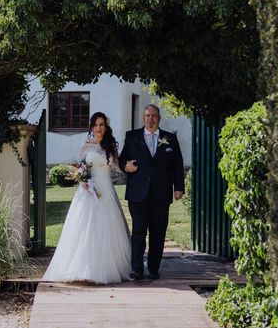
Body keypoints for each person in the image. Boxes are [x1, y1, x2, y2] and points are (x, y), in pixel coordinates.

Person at [42, 112, 131, 284]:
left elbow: (116, 165)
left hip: (105, 190)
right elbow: (79, 167)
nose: (99, 128)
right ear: (91, 127)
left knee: (106, 227)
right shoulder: (86, 145)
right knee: (85, 227)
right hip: (88, 191)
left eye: (102, 124)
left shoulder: (110, 145)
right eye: (96, 125)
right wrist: (81, 180)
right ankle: (83, 268)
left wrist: (127, 168)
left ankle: (105, 268)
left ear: (105, 126)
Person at [119, 104, 184, 280]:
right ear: (143, 118)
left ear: (159, 118)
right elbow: (122, 159)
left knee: (158, 232)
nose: (151, 119)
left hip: (161, 194)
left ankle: (154, 268)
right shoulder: (132, 137)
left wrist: (179, 187)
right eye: (147, 116)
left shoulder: (169, 138)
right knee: (139, 231)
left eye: (154, 116)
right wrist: (126, 166)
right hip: (138, 193)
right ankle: (137, 269)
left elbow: (177, 164)